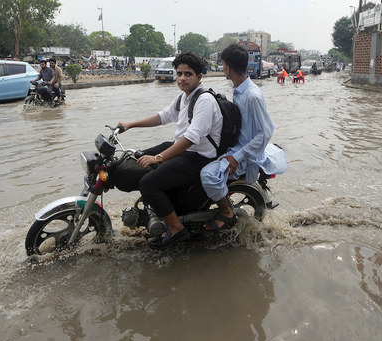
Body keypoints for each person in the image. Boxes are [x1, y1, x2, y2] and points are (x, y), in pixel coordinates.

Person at [118, 52, 223, 249]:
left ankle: (177, 229)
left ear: (199, 77)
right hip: (185, 149)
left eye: (188, 74)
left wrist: (158, 158)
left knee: (148, 183)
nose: (182, 78)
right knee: (136, 157)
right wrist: (131, 124)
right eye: (179, 73)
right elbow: (162, 117)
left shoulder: (204, 101)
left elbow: (191, 138)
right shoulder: (184, 97)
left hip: (199, 156)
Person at [200, 44, 287, 230]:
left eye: (223, 64)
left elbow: (264, 133)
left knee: (207, 175)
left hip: (245, 156)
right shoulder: (238, 89)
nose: (223, 68)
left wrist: (236, 157)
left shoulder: (252, 95)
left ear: (228, 67)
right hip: (236, 148)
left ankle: (226, 212)